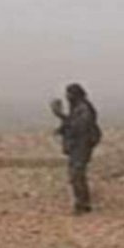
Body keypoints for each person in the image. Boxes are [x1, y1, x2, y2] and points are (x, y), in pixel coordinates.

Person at [50, 83, 101, 215]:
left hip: (82, 146)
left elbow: (79, 126)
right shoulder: (78, 108)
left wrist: (61, 115)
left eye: (69, 94)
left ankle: (82, 204)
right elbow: (71, 124)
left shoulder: (83, 109)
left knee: (77, 175)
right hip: (77, 146)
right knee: (76, 176)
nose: (67, 97)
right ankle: (83, 203)